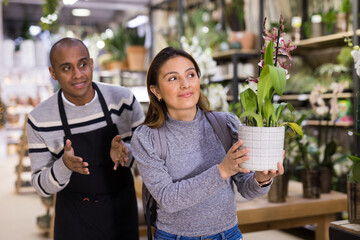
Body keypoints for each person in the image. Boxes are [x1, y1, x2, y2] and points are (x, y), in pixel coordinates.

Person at [130, 47, 284, 240]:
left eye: (191, 75)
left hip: (228, 234)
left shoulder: (226, 124)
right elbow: (168, 199)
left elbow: (246, 189)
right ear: (156, 91)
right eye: (172, 78)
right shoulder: (146, 138)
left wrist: (261, 178)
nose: (185, 84)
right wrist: (223, 170)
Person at [26, 37, 144, 240]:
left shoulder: (123, 101)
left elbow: (150, 159)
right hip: (74, 220)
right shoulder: (39, 119)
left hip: (122, 214)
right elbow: (40, 186)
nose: (78, 74)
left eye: (82, 65)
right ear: (53, 73)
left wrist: (126, 153)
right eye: (66, 68)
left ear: (91, 63)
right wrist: (63, 166)